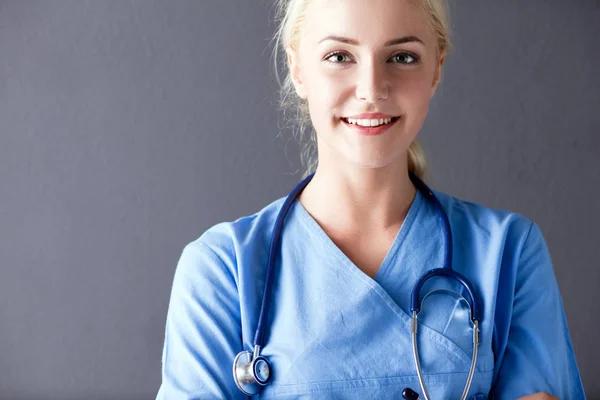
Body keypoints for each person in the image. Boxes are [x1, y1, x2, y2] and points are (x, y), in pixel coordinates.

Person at [156, 0, 585, 398]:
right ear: (298, 68)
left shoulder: (508, 253)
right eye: (339, 56)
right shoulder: (222, 269)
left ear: (436, 69)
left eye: (402, 57)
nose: (372, 89)